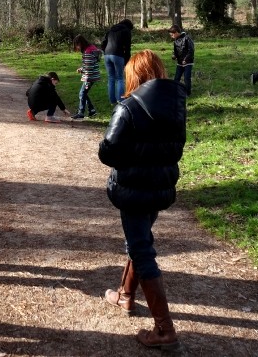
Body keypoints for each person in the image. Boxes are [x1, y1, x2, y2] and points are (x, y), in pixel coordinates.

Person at [98, 50, 186, 351]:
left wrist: (125, 153)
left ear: (134, 76)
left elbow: (107, 152)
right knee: (140, 241)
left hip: (134, 189)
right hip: (159, 187)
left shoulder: (128, 108)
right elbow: (176, 150)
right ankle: (124, 295)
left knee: (142, 249)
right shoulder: (177, 106)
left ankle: (165, 329)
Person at [101, 19, 133, 104]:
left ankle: (112, 101)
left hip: (107, 55)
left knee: (111, 78)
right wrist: (126, 61)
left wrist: (105, 52)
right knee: (120, 78)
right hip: (118, 55)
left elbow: (103, 43)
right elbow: (127, 47)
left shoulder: (111, 29)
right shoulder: (126, 31)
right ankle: (121, 100)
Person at [72, 35, 102, 119]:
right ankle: (91, 110)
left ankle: (81, 112)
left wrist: (86, 78)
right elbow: (88, 64)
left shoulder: (88, 52)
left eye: (77, 45)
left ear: (80, 43)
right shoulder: (90, 49)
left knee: (82, 93)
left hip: (89, 77)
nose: (77, 47)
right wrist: (82, 69)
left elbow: (89, 67)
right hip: (92, 75)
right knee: (84, 93)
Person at [169, 25, 195, 96]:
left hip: (188, 63)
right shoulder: (175, 41)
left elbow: (191, 50)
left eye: (172, 35)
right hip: (180, 63)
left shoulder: (187, 38)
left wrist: (186, 59)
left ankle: (187, 93)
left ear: (176, 32)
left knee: (187, 78)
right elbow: (175, 51)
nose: (171, 36)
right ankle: (174, 92)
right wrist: (174, 56)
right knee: (176, 78)